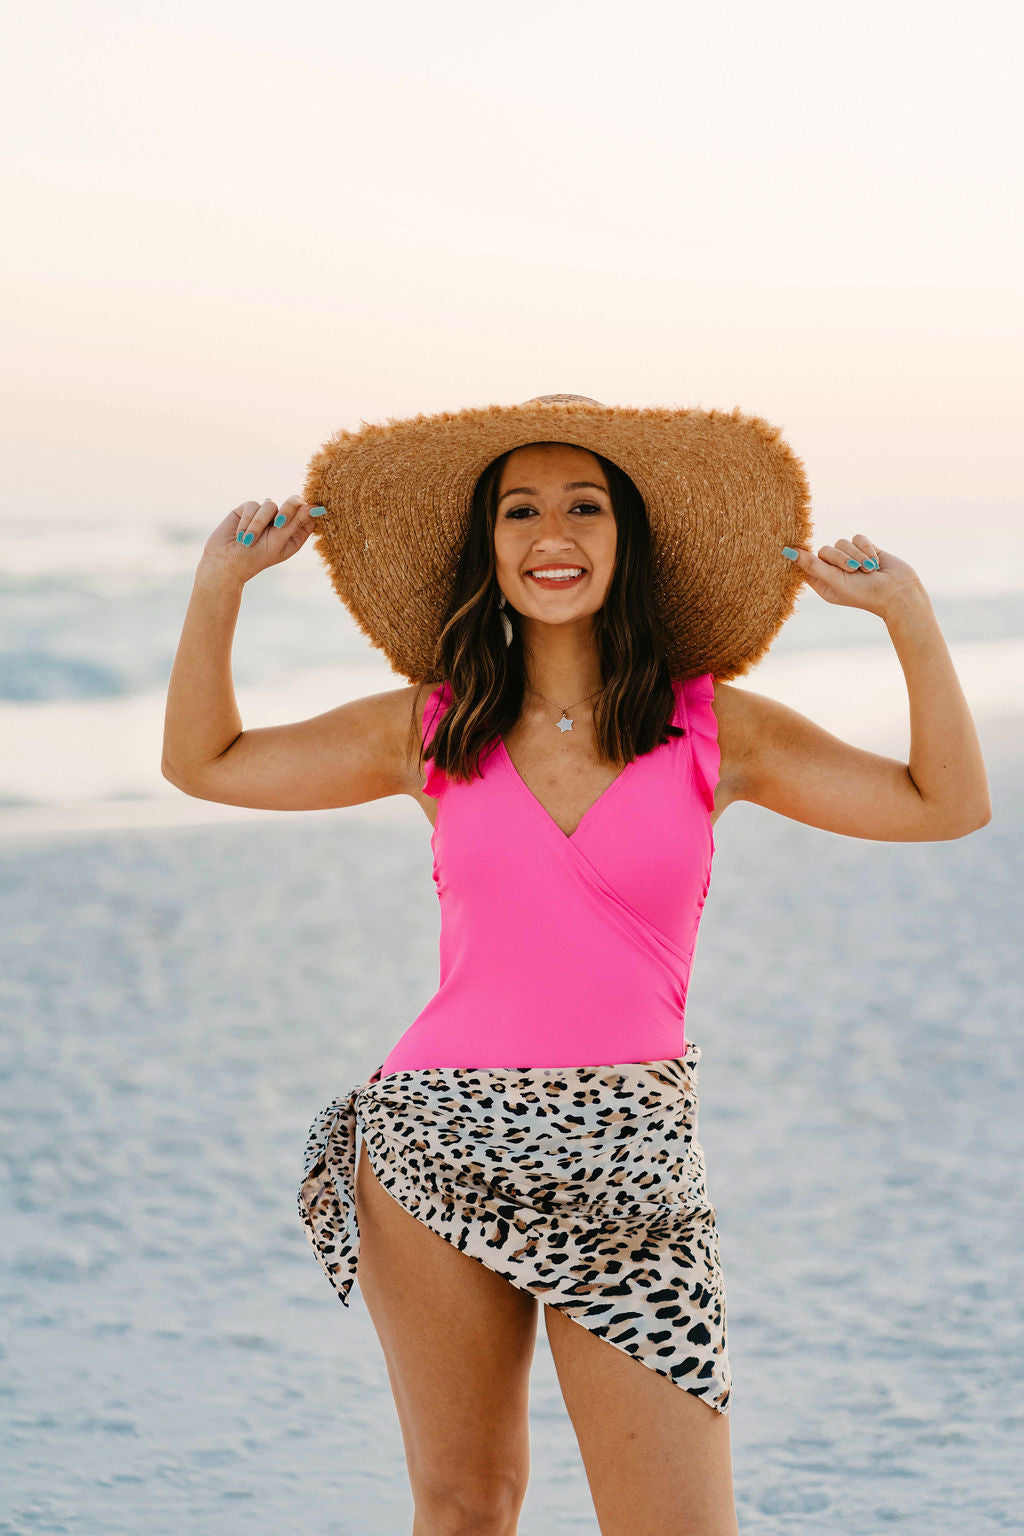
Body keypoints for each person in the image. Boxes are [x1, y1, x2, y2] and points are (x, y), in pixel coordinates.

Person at [162, 395, 992, 1536]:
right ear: (489, 550)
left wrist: (907, 616)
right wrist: (221, 589)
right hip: (437, 1143)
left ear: (625, 538)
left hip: (634, 1153)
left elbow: (945, 803)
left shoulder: (716, 729)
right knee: (467, 1504)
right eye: (521, 510)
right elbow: (205, 762)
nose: (552, 533)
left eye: (584, 506)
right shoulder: (431, 725)